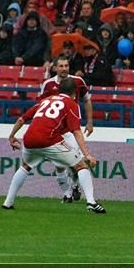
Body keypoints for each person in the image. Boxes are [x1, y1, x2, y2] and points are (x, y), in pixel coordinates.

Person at [2, 78, 106, 213]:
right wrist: (87, 154)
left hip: (29, 139)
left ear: (59, 90)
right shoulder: (71, 103)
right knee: (81, 165)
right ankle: (91, 202)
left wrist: (11, 136)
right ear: (74, 93)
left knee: (25, 166)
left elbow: (22, 119)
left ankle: (8, 202)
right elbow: (76, 131)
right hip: (49, 139)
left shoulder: (46, 100)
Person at [40, 56, 94, 202]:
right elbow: (42, 106)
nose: (64, 68)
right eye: (61, 66)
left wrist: (89, 122)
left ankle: (75, 185)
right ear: (55, 68)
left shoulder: (77, 81)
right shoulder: (48, 85)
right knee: (59, 166)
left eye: (66, 66)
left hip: (72, 129)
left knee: (75, 162)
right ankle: (67, 194)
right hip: (55, 131)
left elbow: (87, 100)